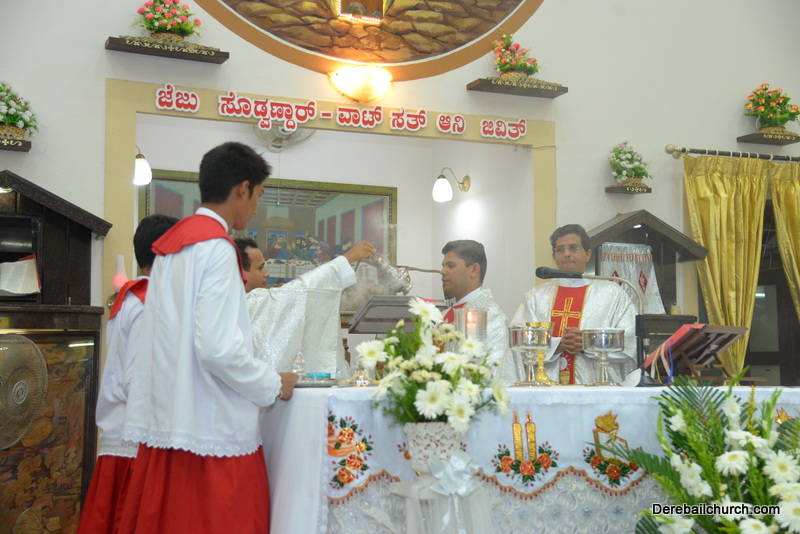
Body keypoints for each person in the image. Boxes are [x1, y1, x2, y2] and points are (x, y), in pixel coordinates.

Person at [119, 142, 298, 534]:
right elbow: (219, 350)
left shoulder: (172, 247)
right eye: (259, 195)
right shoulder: (217, 249)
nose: (257, 207)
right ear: (242, 189)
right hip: (212, 430)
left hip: (172, 420)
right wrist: (271, 383)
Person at [77, 214, 178, 534]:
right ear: (167, 252)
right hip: (135, 443)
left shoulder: (133, 296)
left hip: (124, 439)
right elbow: (137, 381)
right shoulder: (149, 303)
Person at [512, 224, 636, 385]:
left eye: (573, 248)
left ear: (587, 254)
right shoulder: (536, 296)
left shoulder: (612, 293)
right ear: (554, 256)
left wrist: (587, 343)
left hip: (597, 387)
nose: (566, 254)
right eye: (560, 249)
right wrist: (557, 345)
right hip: (546, 388)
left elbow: (630, 342)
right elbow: (519, 345)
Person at [239, 236, 376, 376]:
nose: (267, 273)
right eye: (260, 268)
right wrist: (347, 259)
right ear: (239, 271)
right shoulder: (243, 303)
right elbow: (301, 291)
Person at [440, 240, 521, 385]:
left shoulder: (489, 315)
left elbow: (491, 374)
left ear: (474, 270)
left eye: (450, 266)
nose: (443, 271)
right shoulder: (444, 315)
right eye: (443, 266)